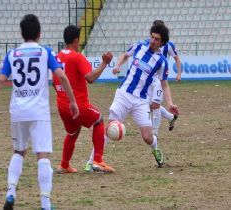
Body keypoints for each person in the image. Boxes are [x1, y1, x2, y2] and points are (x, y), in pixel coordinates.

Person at [0, 14, 79, 210]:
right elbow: (61, 75)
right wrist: (73, 101)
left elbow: (0, 80)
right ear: (39, 33)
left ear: (22, 33)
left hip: (18, 110)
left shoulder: (12, 54)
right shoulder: (45, 52)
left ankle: (10, 192)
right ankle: (45, 203)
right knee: (42, 155)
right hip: (38, 111)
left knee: (18, 151)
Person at [85, 23, 179, 169]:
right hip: (123, 94)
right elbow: (125, 54)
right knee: (110, 128)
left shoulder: (162, 62)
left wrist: (170, 104)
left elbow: (164, 85)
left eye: (157, 39)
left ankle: (156, 149)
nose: (153, 41)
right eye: (152, 37)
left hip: (141, 101)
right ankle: (91, 162)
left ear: (162, 43)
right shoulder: (139, 46)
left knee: (147, 137)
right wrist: (117, 65)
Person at [52, 25, 115, 174]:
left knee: (73, 132)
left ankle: (64, 165)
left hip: (62, 105)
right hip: (78, 105)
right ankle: (98, 161)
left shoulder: (57, 56)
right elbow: (90, 78)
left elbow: (54, 81)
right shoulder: (77, 56)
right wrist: (104, 63)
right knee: (98, 120)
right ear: (76, 40)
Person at [145, 20, 181, 137]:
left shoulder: (169, 45)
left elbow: (177, 59)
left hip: (160, 79)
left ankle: (154, 133)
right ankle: (170, 117)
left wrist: (179, 73)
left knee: (155, 105)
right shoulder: (149, 43)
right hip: (150, 78)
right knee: (150, 105)